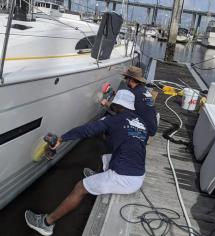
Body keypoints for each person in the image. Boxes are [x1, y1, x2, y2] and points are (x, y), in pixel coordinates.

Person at [25, 89, 148, 236]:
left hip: (124, 178)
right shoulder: (142, 124)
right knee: (107, 156)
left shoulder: (113, 121)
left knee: (80, 187)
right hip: (139, 174)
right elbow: (130, 142)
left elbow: (87, 130)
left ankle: (46, 223)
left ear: (116, 105)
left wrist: (62, 138)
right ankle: (100, 178)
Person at [101, 66, 158, 137]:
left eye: (126, 78)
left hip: (142, 130)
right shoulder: (144, 91)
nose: (125, 80)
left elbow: (117, 109)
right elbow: (138, 102)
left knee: (110, 122)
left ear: (131, 80)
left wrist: (106, 102)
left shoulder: (132, 93)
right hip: (151, 128)